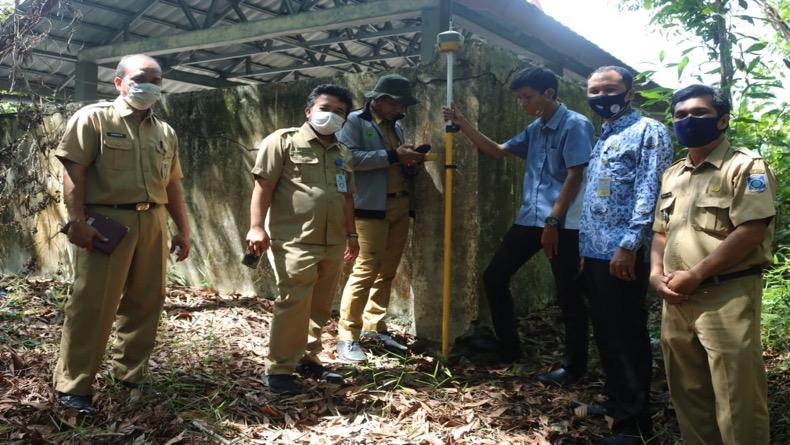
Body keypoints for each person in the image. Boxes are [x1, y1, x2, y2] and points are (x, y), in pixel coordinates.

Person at [53, 54, 191, 413]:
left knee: (146, 301)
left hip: (153, 221)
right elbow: (74, 171)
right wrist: (77, 219)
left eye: (157, 79)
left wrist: (183, 230)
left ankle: (130, 373)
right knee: (92, 304)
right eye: (142, 77)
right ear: (119, 82)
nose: (150, 85)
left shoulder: (165, 131)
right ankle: (74, 385)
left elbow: (173, 185)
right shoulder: (93, 119)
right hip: (107, 223)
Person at [442, 67, 594, 382]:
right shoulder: (535, 128)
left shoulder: (576, 125)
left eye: (527, 97)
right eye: (519, 98)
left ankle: (575, 367)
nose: (522, 103)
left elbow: (575, 175)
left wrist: (553, 221)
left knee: (569, 295)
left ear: (549, 93)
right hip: (530, 219)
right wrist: (463, 124)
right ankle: (509, 347)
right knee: (495, 277)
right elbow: (497, 151)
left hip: (562, 224)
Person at [650, 84, 774, 445]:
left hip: (727, 296)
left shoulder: (745, 166)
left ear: (722, 120)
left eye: (699, 113)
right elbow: (661, 232)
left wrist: (697, 274)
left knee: (738, 400)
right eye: (681, 115)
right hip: (675, 299)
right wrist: (656, 276)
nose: (688, 120)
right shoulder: (673, 174)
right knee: (689, 395)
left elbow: (752, 229)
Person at [578, 66, 673, 444]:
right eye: (594, 90)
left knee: (627, 333)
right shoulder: (605, 134)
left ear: (629, 92)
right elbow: (597, 198)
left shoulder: (649, 131)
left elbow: (649, 193)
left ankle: (635, 422)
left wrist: (628, 245)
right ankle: (617, 401)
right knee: (606, 331)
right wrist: (587, 249)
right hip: (597, 252)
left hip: (624, 252)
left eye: (610, 89)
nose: (602, 96)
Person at [246, 84, 359, 394]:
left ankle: (308, 358)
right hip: (294, 239)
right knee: (293, 302)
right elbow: (263, 187)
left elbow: (347, 197)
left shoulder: (343, 152)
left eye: (340, 112)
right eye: (326, 108)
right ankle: (278, 368)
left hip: (333, 240)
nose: (331, 115)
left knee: (321, 305)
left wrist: (352, 235)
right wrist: (256, 227)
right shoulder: (283, 142)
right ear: (309, 111)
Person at [335, 74, 425, 363]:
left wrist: (408, 161)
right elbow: (348, 160)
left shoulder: (396, 128)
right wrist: (393, 156)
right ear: (382, 99)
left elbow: (394, 161)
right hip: (369, 209)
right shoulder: (353, 122)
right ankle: (347, 335)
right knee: (364, 270)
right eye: (398, 104)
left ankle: (375, 327)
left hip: (399, 206)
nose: (403, 110)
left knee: (387, 271)